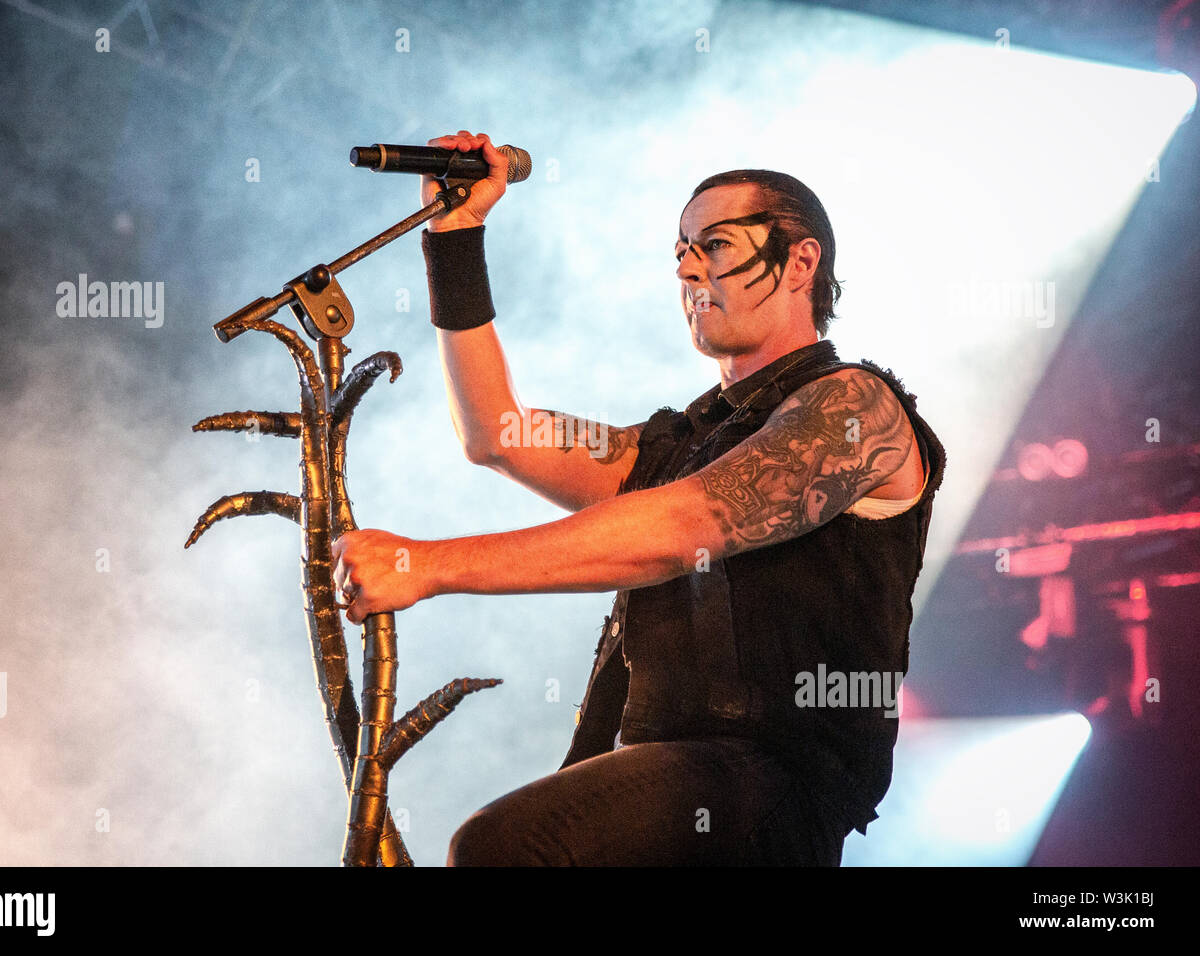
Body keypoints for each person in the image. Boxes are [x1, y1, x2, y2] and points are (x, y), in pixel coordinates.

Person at [332, 130, 947, 865]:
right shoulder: (678, 443)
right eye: (680, 250)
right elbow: (499, 434)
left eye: (714, 245)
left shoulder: (854, 408)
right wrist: (456, 236)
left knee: (506, 846)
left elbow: (681, 526)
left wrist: (426, 564)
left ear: (801, 262)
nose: (687, 267)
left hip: (771, 790)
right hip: (666, 776)